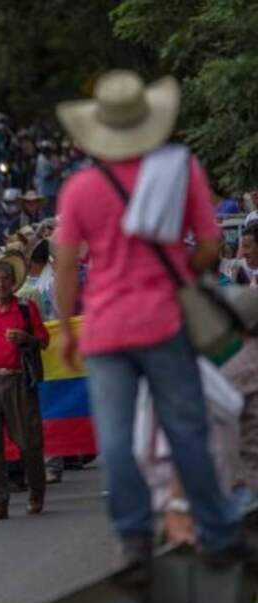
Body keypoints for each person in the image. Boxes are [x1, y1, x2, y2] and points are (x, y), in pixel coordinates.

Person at [55, 69, 242, 565]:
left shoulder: (80, 189)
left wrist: (66, 331)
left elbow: (67, 266)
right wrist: (182, 272)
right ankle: (219, 531)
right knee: (186, 430)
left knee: (114, 438)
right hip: (164, 321)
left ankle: (133, 537)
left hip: (104, 328)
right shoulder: (181, 171)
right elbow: (209, 244)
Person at [0, 251, 48, 522]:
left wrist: (26, 338)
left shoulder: (26, 308)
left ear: (13, 282)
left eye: (5, 279)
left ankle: (36, 492)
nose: (0, 284)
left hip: (18, 380)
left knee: (28, 443)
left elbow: (43, 340)